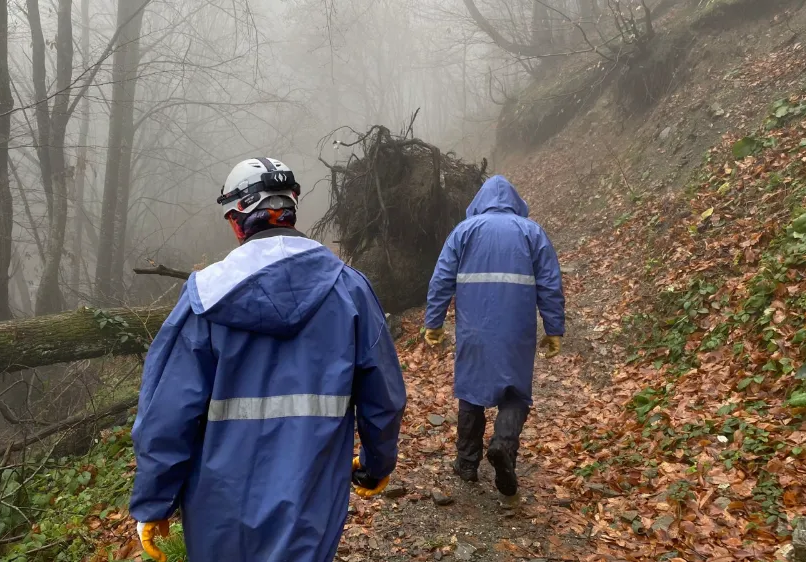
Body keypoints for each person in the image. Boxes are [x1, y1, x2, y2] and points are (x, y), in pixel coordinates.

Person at [130, 157, 406, 562]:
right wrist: (377, 464)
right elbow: (384, 395)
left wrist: (154, 501)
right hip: (311, 498)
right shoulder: (350, 290)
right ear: (291, 208)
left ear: (236, 219)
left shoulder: (205, 298)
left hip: (217, 506)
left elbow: (166, 414)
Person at [423, 174, 565, 497]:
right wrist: (554, 328)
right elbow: (550, 284)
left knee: (471, 391)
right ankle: (502, 445)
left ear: (480, 202)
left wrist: (433, 322)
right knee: (515, 393)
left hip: (474, 329)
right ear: (515, 202)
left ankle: (467, 463)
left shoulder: (463, 232)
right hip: (517, 331)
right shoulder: (532, 233)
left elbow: (441, 278)